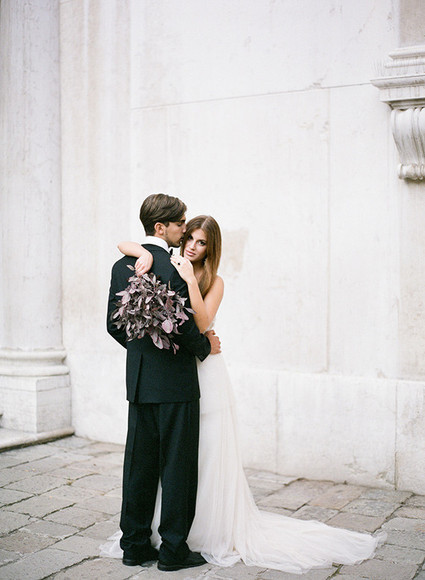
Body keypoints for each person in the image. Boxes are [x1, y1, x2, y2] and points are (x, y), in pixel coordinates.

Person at [103, 212, 385, 574]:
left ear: (211, 249)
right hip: (178, 371)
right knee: (170, 464)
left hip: (185, 378)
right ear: (169, 231)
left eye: (201, 242)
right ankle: (167, 546)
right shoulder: (164, 264)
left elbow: (191, 322)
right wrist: (202, 346)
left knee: (178, 461)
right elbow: (178, 327)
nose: (192, 245)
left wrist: (186, 288)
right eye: (188, 236)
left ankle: (159, 541)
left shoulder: (201, 277)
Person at [106, 194, 221, 572]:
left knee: (138, 467)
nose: (184, 230)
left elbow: (113, 325)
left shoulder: (122, 267)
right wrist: (206, 348)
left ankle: (134, 545)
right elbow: (186, 329)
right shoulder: (174, 269)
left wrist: (143, 352)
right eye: (180, 224)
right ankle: (173, 550)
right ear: (161, 227)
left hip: (140, 382)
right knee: (177, 467)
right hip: (175, 384)